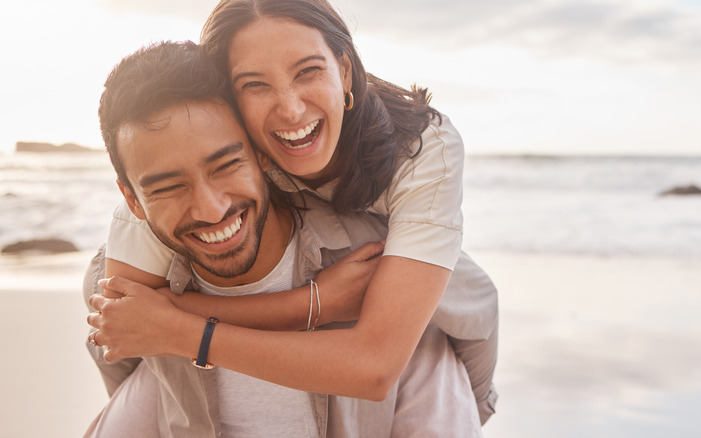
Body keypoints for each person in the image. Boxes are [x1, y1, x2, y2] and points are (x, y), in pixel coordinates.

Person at [90, 0, 498, 425]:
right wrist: (311, 303)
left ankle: (477, 403)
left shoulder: (421, 150)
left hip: (402, 268)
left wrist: (182, 330)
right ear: (228, 99)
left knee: (456, 297)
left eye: (307, 71)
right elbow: (122, 315)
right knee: (99, 275)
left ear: (344, 70)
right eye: (254, 85)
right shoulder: (208, 153)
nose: (290, 109)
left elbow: (375, 362)